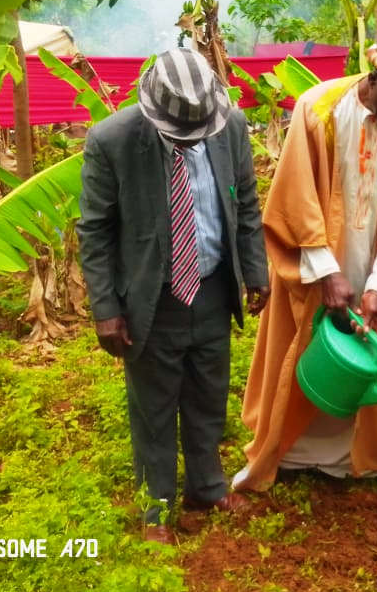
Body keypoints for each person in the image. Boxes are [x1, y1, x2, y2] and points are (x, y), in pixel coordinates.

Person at [233, 31, 377, 492]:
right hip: (314, 261)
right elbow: (295, 197)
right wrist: (326, 273)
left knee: (373, 356)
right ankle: (290, 453)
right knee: (303, 348)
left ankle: (361, 460)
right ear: (374, 79)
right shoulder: (319, 108)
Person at [77, 47, 270, 545]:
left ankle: (206, 487)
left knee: (209, 396)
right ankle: (156, 508)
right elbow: (95, 230)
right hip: (152, 297)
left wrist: (255, 271)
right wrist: (105, 309)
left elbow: (246, 204)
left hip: (212, 286)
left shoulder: (230, 127)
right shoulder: (113, 140)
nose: (192, 137)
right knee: (154, 408)